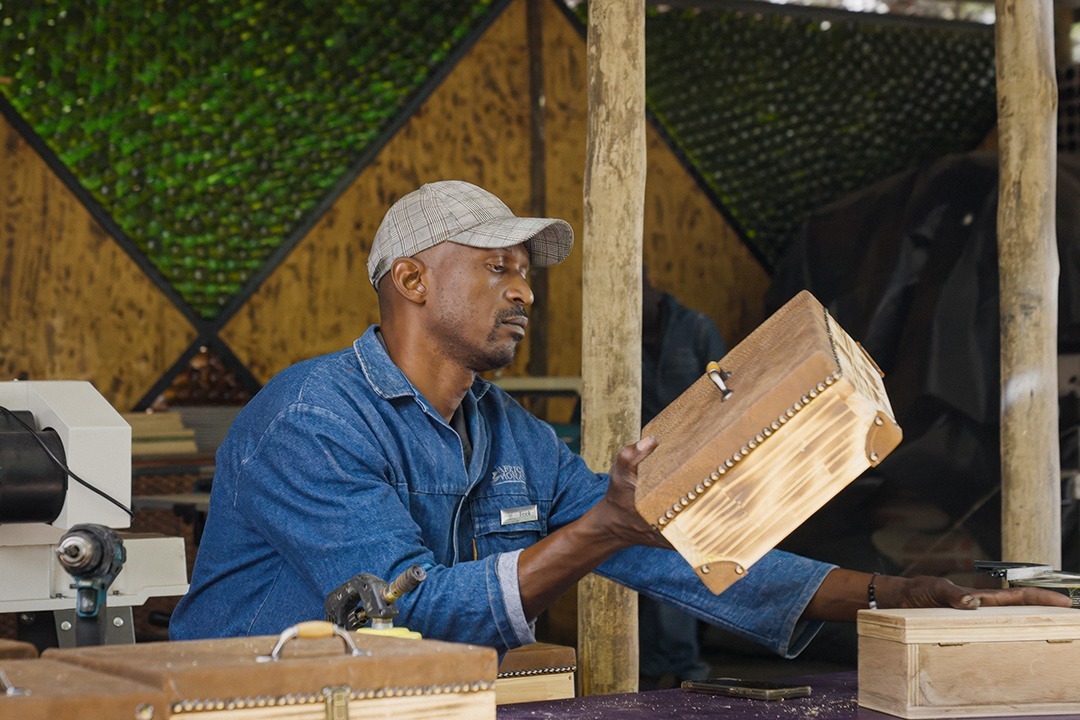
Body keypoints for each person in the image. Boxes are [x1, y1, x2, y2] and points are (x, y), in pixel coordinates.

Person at [169, 180, 1068, 658]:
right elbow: (404, 616)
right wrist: (601, 526)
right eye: (497, 267)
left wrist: (890, 594)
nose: (524, 289)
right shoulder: (312, 419)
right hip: (244, 703)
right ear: (411, 280)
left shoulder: (508, 433)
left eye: (528, 272)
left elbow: (670, 550)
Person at [638, 268, 726, 688]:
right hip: (641, 474)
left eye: (637, 291)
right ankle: (656, 670)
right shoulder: (616, 334)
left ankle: (686, 671)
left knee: (681, 567)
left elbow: (729, 394)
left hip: (695, 470)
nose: (632, 303)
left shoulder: (695, 328)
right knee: (646, 565)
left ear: (652, 289)